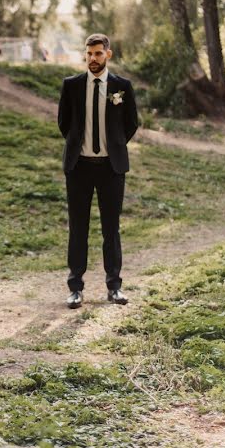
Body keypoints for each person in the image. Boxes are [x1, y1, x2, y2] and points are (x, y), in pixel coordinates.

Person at [57, 34, 139, 310]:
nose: (93, 59)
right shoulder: (72, 86)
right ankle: (75, 288)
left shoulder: (122, 87)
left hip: (111, 169)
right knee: (78, 228)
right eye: (89, 54)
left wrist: (113, 147)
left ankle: (114, 286)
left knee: (110, 229)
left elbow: (131, 124)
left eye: (98, 54)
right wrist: (80, 147)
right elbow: (64, 123)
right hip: (78, 167)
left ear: (108, 55)